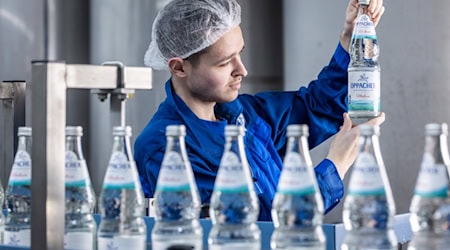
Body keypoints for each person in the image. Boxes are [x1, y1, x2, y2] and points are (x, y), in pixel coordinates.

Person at [134, 0, 386, 221]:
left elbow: (319, 106)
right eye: (224, 63)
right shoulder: (164, 149)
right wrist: (336, 164)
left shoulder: (244, 116)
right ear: (179, 68)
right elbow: (253, 226)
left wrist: (350, 40)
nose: (242, 70)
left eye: (239, 54)